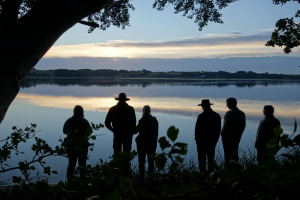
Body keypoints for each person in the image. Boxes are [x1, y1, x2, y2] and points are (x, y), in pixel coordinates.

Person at [63, 105, 92, 179]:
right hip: (83, 145)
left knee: (71, 164)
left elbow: (64, 131)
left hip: (71, 145)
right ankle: (83, 181)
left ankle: (69, 181)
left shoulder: (69, 121)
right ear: (82, 112)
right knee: (82, 164)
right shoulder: (84, 121)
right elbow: (90, 131)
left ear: (74, 112)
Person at [195, 99, 221, 172]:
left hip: (201, 142)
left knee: (201, 159)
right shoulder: (216, 116)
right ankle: (211, 174)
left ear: (203, 107)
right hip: (212, 141)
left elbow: (197, 130)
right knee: (211, 158)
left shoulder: (201, 116)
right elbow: (218, 130)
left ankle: (202, 175)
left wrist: (197, 140)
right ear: (209, 106)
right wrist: (215, 140)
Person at [134, 105, 159, 178]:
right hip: (152, 144)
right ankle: (150, 179)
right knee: (151, 163)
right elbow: (156, 133)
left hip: (141, 144)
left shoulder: (142, 121)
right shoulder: (155, 121)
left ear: (143, 111)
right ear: (150, 111)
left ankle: (141, 178)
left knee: (141, 162)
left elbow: (135, 131)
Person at [221, 97, 246, 164]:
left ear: (231, 104)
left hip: (227, 138)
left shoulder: (228, 113)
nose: (227, 106)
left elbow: (226, 126)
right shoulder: (242, 113)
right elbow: (243, 126)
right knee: (235, 153)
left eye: (227, 104)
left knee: (227, 154)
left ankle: (228, 169)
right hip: (237, 137)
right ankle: (235, 168)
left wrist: (223, 135)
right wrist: (239, 135)